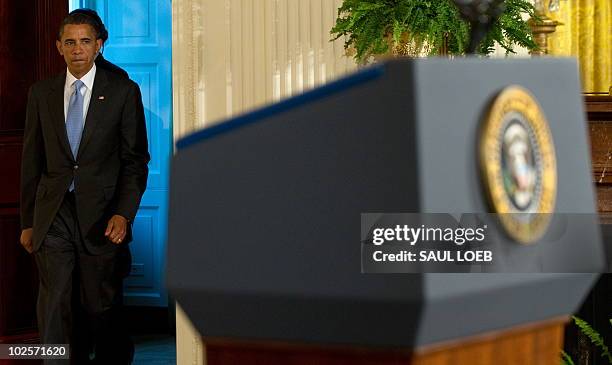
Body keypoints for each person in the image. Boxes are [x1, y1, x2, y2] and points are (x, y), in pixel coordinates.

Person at [19, 10, 150, 364]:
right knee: (54, 304)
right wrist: (28, 222)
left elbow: (135, 161)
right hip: (54, 215)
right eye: (71, 42)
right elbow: (32, 162)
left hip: (101, 217)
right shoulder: (41, 94)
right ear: (59, 47)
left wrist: (124, 213)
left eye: (86, 41)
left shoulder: (123, 92)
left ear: (99, 46)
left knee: (100, 308)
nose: (78, 49)